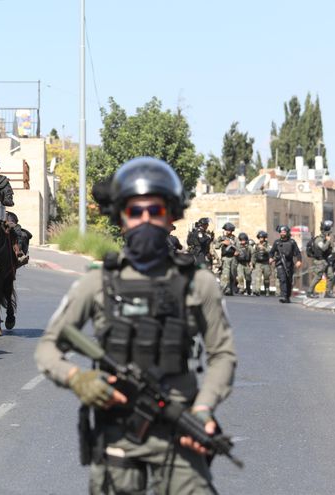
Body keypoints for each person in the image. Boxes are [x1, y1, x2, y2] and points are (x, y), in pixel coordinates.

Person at [34, 157, 236, 495]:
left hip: (181, 433)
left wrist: (203, 408)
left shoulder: (199, 284)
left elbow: (223, 354)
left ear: (171, 216)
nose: (145, 220)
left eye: (155, 212)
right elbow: (47, 349)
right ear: (121, 219)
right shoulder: (97, 284)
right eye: (135, 212)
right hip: (118, 438)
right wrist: (78, 378)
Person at [269, 225, 303, 303]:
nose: (282, 233)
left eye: (284, 232)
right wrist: (271, 258)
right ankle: (283, 296)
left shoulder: (292, 242)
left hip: (289, 263)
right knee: (282, 279)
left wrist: (299, 261)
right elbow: (271, 252)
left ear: (287, 232)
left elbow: (297, 253)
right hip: (280, 263)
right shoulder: (277, 242)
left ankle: (287, 296)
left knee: (289, 280)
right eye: (281, 232)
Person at [306, 220, 335, 298]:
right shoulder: (318, 240)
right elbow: (323, 248)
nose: (329, 234)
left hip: (326, 260)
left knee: (331, 276)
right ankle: (309, 292)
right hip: (320, 261)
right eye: (328, 232)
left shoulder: (325, 239)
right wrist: (328, 241)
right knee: (318, 277)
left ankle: (328, 292)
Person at [214, 223, 238, 295]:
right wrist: (222, 242)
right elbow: (216, 246)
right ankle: (222, 290)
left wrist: (232, 245)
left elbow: (239, 248)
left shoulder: (235, 239)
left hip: (233, 258)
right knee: (225, 274)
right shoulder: (221, 237)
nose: (228, 232)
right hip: (225, 258)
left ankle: (230, 290)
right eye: (226, 230)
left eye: (229, 230)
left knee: (232, 274)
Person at [251, 230, 272, 296]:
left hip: (266, 263)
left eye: (262, 237)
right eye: (260, 238)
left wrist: (264, 248)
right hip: (258, 263)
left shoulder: (267, 245)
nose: (261, 239)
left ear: (264, 238)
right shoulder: (256, 245)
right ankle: (257, 291)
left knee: (266, 278)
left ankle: (267, 290)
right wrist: (252, 263)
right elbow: (254, 254)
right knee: (258, 278)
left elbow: (270, 251)